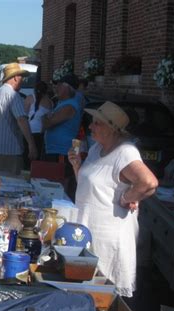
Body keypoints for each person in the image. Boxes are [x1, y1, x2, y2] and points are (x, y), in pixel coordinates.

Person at [68, 101, 158, 299]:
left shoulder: (125, 152)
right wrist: (77, 167)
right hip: (87, 233)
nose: (90, 126)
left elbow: (149, 182)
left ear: (112, 129)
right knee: (84, 296)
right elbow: (90, 189)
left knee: (103, 298)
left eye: (97, 123)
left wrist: (128, 197)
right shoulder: (95, 150)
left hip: (108, 241)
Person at [0, 63, 38, 174]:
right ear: (16, 78)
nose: (22, 80)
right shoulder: (13, 95)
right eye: (21, 77)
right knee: (11, 184)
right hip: (10, 149)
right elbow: (21, 120)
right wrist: (31, 144)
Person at [42, 74, 81, 197]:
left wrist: (46, 118)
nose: (56, 87)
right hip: (55, 151)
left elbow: (48, 123)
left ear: (68, 88)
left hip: (62, 153)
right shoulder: (62, 103)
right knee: (50, 184)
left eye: (59, 85)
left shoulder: (70, 105)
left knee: (59, 187)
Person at [23, 81, 53, 166]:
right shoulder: (49, 102)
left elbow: (24, 115)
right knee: (37, 158)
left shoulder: (29, 98)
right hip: (40, 133)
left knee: (27, 156)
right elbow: (48, 119)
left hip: (28, 131)